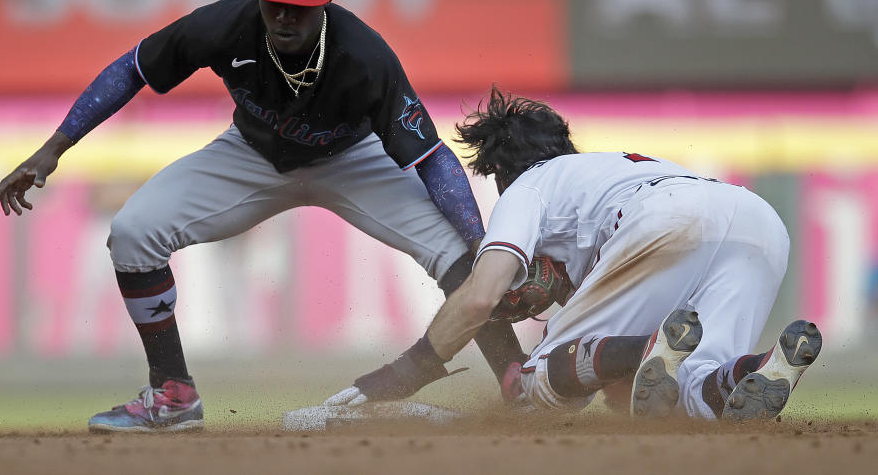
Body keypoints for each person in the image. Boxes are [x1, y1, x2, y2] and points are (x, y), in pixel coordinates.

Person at [0, 0, 525, 432]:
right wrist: (53, 148)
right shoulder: (226, 25)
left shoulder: (365, 55)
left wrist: (483, 247)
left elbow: (431, 158)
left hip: (354, 160)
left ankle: (517, 381)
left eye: (301, 6)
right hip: (251, 153)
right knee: (132, 232)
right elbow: (133, 67)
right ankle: (173, 396)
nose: (285, 16)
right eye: (274, 1)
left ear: (327, 0)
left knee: (463, 262)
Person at [326, 87, 822, 421]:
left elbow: (480, 295)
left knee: (535, 393)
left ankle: (646, 347)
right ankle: (758, 368)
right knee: (694, 396)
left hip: (663, 220)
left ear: (499, 169)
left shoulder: (530, 186)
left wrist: (411, 368)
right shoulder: (607, 168)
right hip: (757, 223)